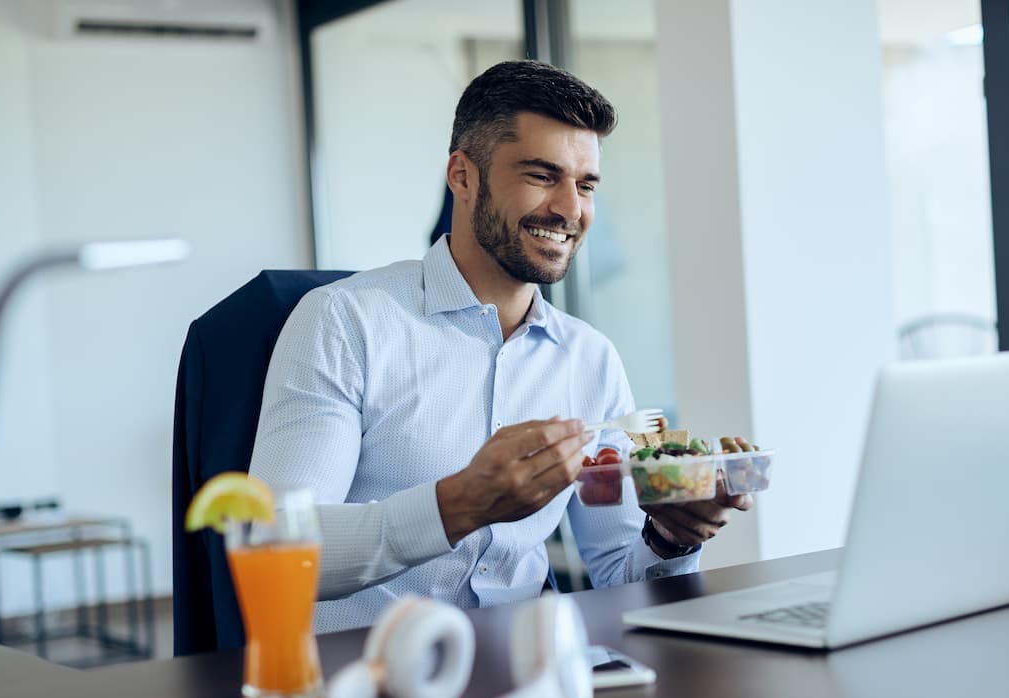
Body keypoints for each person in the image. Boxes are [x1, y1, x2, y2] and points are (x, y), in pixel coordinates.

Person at [249, 59, 752, 633]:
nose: (571, 209)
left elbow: (619, 575)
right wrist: (457, 504)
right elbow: (277, 551)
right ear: (462, 177)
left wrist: (668, 537)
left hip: (533, 673)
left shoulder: (590, 358)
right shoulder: (343, 322)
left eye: (586, 185)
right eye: (542, 175)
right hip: (370, 683)